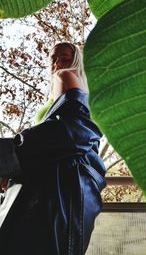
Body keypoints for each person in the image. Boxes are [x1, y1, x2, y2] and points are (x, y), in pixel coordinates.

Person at [0, 42, 106, 255]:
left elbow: (71, 129)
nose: (58, 63)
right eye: (53, 58)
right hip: (72, 185)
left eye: (65, 58)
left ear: (76, 61)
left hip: (55, 184)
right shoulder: (89, 97)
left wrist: (10, 159)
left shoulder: (64, 77)